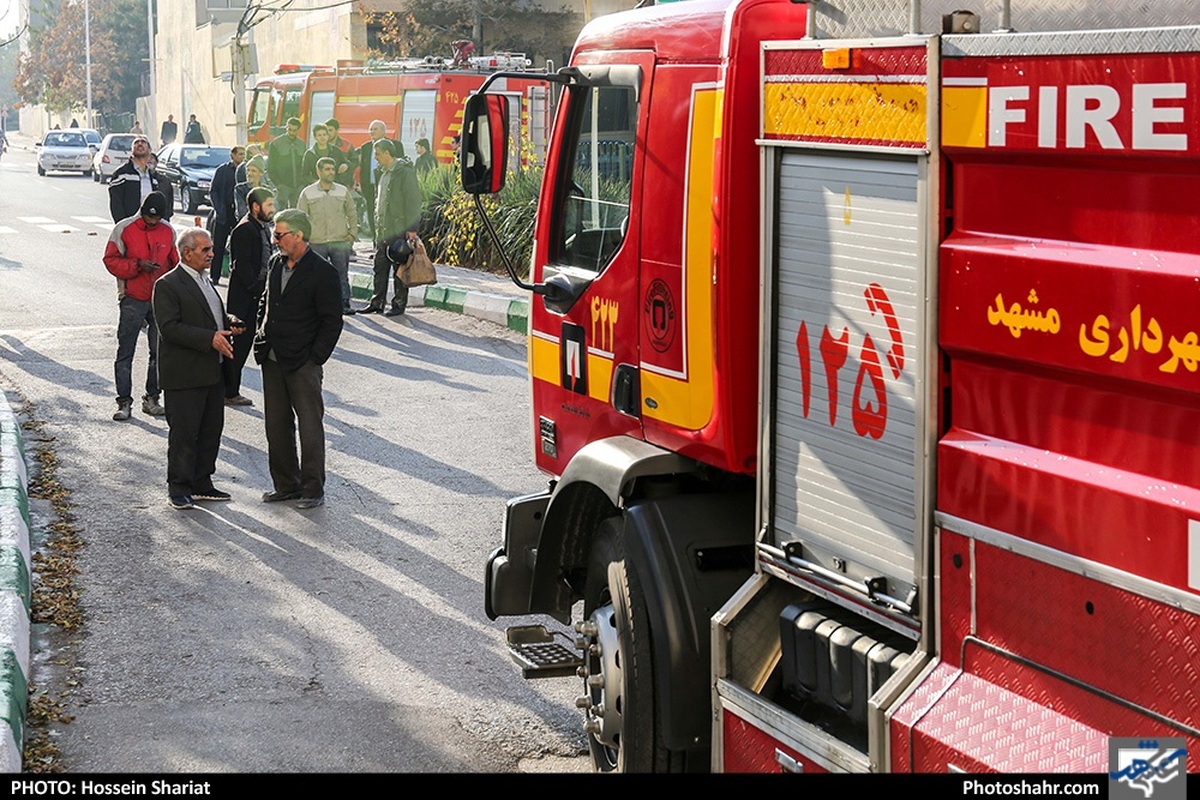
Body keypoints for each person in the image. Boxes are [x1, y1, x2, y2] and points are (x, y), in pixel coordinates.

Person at [253, 209, 344, 509]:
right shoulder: (275, 263)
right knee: (276, 426)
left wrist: (315, 358)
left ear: (299, 235)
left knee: (309, 427)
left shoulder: (323, 272)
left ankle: (312, 489)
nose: (275, 240)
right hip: (273, 358)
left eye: (280, 235)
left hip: (303, 362)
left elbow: (332, 321)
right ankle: (285, 485)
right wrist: (260, 335)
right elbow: (266, 301)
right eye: (274, 234)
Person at [152, 227, 239, 510]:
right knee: (185, 433)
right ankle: (179, 486)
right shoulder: (168, 284)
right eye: (205, 250)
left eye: (212, 248)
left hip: (211, 371)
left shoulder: (205, 280)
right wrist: (209, 338)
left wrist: (228, 322)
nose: (212, 254)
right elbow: (169, 328)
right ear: (187, 253)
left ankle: (202, 482)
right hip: (185, 374)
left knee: (211, 429)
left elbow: (209, 314)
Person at [102, 191, 177, 422]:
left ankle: (152, 398)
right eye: (148, 218)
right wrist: (137, 265)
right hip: (133, 298)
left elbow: (175, 263)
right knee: (126, 351)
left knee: (159, 352)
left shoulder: (168, 231)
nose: (152, 223)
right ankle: (123, 402)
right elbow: (110, 260)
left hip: (159, 299)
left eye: (156, 220)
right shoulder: (125, 229)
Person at [225, 187, 276, 407]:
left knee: (243, 347)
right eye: (269, 205)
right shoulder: (245, 229)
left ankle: (229, 389)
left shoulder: (262, 227)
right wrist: (257, 290)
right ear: (256, 207)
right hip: (244, 300)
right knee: (238, 347)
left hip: (255, 296)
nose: (273, 210)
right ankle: (229, 391)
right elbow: (242, 267)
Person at [362, 139, 421, 316]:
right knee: (379, 267)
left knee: (399, 269)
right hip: (382, 229)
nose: (376, 158)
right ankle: (377, 302)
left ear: (387, 153)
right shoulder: (381, 172)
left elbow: (413, 201)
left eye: (378, 154)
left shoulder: (404, 172)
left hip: (399, 229)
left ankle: (399, 304)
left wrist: (411, 228)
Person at [298, 157, 358, 316]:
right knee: (315, 275)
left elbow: (352, 213)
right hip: (316, 241)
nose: (331, 172)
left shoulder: (342, 191)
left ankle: (344, 303)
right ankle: (315, 305)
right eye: (327, 169)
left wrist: (352, 234)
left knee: (341, 274)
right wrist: (304, 239)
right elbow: (301, 217)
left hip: (340, 240)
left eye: (332, 169)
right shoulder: (308, 192)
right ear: (319, 171)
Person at [208, 145, 246, 287]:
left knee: (238, 248)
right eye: (240, 154)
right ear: (232, 155)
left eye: (244, 154)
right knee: (218, 246)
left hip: (239, 215)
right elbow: (213, 192)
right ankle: (215, 277)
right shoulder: (222, 170)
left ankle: (236, 278)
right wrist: (219, 209)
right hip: (224, 213)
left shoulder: (245, 171)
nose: (242, 157)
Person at [357, 119, 399, 240]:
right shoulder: (365, 147)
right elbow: (364, 169)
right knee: (372, 215)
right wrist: (362, 186)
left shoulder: (395, 145)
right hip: (370, 187)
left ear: (383, 131)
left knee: (387, 216)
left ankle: (387, 243)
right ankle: (376, 244)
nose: (372, 131)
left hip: (388, 187)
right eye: (371, 129)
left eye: (375, 129)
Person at [109, 135, 165, 222]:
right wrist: (123, 224)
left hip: (150, 225)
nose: (139, 144)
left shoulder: (153, 177)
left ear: (150, 151)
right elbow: (116, 203)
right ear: (132, 151)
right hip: (130, 224)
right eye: (136, 142)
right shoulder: (122, 173)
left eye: (143, 142)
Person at [267, 117, 306, 210]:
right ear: (286, 128)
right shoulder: (276, 143)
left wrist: (303, 182)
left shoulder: (302, 144)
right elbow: (271, 165)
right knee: (280, 212)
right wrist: (278, 184)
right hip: (283, 185)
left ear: (298, 130)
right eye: (290, 129)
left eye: (294, 130)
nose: (291, 133)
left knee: (296, 212)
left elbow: (305, 164)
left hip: (298, 185)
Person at [301, 124, 348, 190]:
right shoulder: (310, 154)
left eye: (324, 134)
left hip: (334, 187)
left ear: (327, 136)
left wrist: (345, 165)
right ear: (315, 137)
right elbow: (304, 175)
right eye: (319, 135)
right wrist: (315, 182)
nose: (322, 137)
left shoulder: (336, 151)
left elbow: (345, 163)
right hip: (317, 189)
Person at [324, 118, 357, 188]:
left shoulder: (346, 145)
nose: (328, 133)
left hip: (342, 184)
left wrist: (347, 166)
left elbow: (355, 161)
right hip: (325, 183)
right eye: (326, 131)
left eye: (330, 130)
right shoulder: (321, 146)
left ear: (337, 130)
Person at [235, 155, 268, 220]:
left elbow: (271, 211)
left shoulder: (266, 190)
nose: (249, 173)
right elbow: (242, 212)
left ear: (261, 173)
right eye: (248, 170)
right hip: (247, 223)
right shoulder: (240, 189)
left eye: (253, 171)